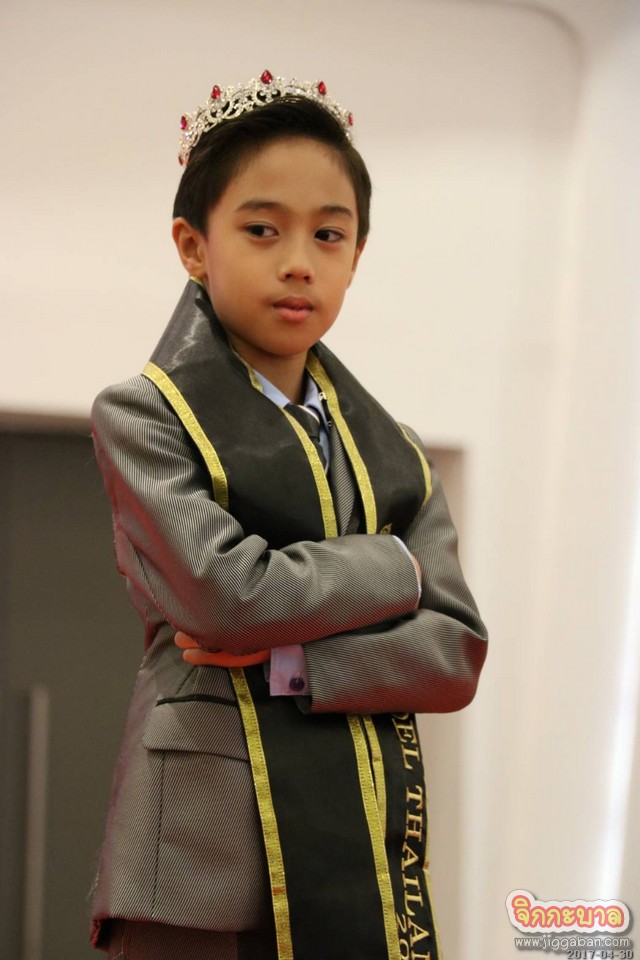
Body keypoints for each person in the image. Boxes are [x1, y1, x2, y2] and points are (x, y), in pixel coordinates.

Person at [90, 70, 488, 960]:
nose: (299, 260)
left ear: (356, 256)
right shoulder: (143, 414)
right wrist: (397, 567)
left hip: (355, 841)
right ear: (193, 245)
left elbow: (455, 652)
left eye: (329, 234)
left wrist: (293, 662)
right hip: (200, 855)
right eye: (262, 229)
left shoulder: (396, 450)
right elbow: (227, 596)